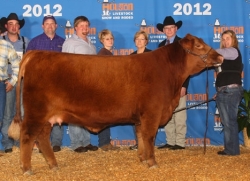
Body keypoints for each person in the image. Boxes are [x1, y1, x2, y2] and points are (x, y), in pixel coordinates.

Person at [26, 15, 65, 152]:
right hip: (40, 85)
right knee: (41, 113)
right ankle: (41, 142)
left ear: (56, 26)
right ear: (42, 26)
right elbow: (28, 64)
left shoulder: (63, 42)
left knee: (58, 111)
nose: (49, 26)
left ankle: (56, 143)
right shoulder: (34, 43)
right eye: (47, 24)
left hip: (59, 84)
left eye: (52, 23)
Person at [62, 16, 98, 153]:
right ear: (75, 28)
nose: (84, 28)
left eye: (86, 25)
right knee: (75, 112)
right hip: (75, 83)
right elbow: (64, 64)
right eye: (81, 25)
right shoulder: (70, 42)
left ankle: (86, 141)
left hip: (89, 84)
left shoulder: (91, 44)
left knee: (86, 113)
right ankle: (76, 143)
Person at [156, 16, 190, 150]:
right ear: (163, 30)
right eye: (166, 28)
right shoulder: (160, 46)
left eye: (171, 27)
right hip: (165, 86)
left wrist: (184, 85)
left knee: (180, 113)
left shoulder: (182, 44)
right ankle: (170, 141)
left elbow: (186, 67)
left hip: (178, 83)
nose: (169, 30)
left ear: (176, 29)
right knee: (167, 112)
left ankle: (180, 142)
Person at [0, 13, 29, 153]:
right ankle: (7, 143)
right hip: (7, 81)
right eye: (10, 24)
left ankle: (19, 142)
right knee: (7, 113)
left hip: (22, 81)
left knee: (22, 112)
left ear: (19, 27)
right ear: (6, 26)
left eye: (16, 24)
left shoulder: (25, 42)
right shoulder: (1, 41)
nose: (13, 26)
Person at [215, 30, 243, 156]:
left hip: (231, 90)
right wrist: (218, 91)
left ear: (233, 40)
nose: (225, 41)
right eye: (223, 39)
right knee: (226, 122)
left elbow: (219, 52)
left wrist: (207, 50)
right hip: (223, 90)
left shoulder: (233, 51)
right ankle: (230, 149)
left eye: (228, 38)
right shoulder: (222, 57)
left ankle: (233, 150)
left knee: (230, 121)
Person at [97, 29, 120, 151]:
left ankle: (105, 142)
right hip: (104, 90)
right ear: (102, 41)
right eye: (107, 39)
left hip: (107, 89)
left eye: (111, 38)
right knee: (104, 116)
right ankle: (104, 143)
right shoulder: (103, 54)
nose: (110, 41)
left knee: (105, 116)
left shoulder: (108, 54)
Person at [129, 30, 151, 150]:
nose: (139, 41)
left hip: (147, 91)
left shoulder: (151, 55)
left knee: (147, 118)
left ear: (146, 41)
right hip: (134, 92)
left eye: (142, 39)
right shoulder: (132, 56)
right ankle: (139, 143)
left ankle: (147, 143)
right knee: (136, 118)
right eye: (137, 39)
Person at [0, 38, 20, 154]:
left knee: (1, 119)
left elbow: (17, 66)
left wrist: (12, 81)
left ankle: (7, 143)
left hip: (0, 84)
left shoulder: (6, 45)